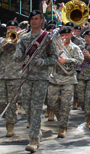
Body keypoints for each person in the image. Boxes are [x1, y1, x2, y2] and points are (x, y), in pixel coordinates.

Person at [13, 10, 58, 153]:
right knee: (27, 107)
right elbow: (18, 56)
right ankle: (35, 130)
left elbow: (55, 58)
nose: (34, 21)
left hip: (41, 78)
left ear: (42, 21)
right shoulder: (24, 39)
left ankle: (33, 139)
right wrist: (18, 54)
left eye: (37, 19)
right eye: (32, 18)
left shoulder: (47, 38)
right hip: (26, 77)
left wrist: (43, 61)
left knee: (37, 107)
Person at [47, 26, 83, 138]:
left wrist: (66, 60)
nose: (64, 37)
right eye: (62, 35)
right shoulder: (55, 47)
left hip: (68, 80)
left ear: (71, 35)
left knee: (66, 105)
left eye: (66, 35)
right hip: (54, 78)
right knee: (52, 102)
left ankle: (62, 126)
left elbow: (80, 60)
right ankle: (61, 119)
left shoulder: (75, 48)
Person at [0, 21, 24, 137]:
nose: (10, 30)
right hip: (0, 76)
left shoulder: (21, 42)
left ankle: (10, 125)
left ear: (17, 29)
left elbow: (24, 55)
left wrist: (16, 43)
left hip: (14, 76)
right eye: (8, 28)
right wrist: (3, 45)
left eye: (12, 28)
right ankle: (7, 117)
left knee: (11, 103)